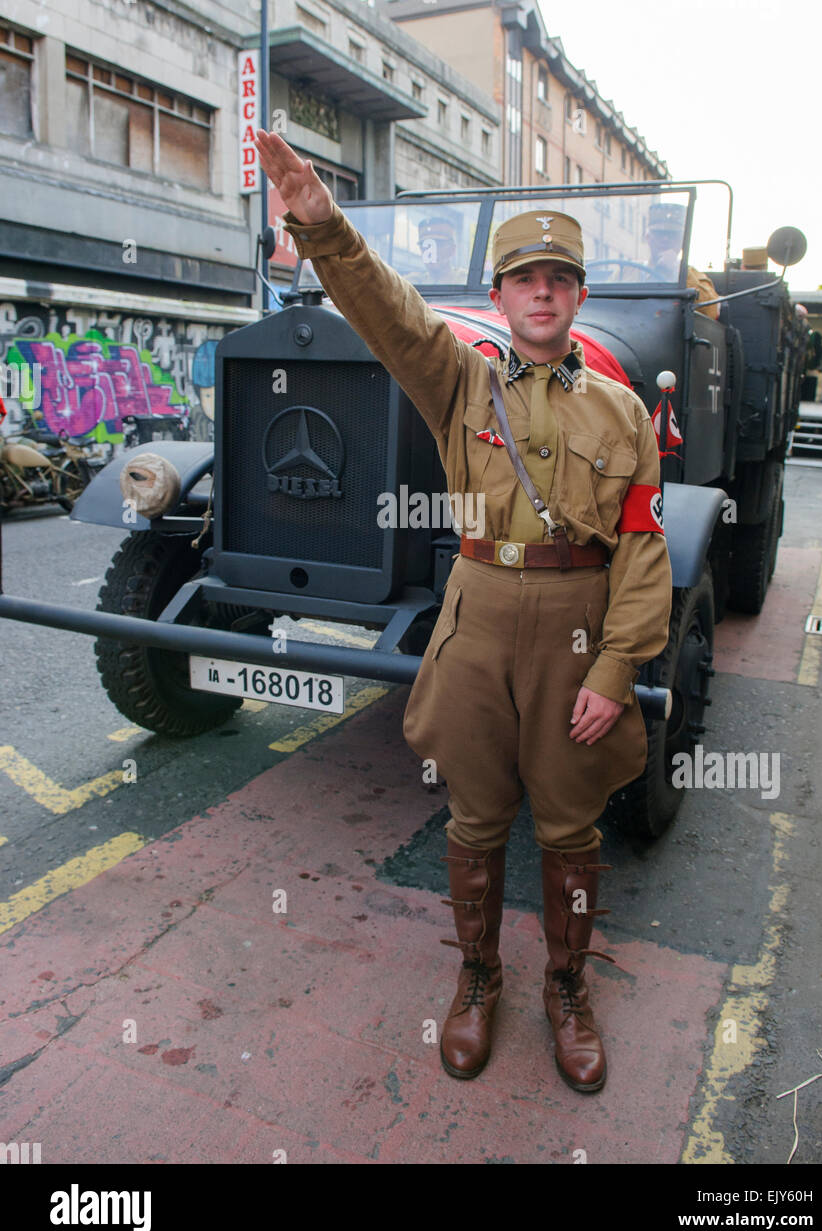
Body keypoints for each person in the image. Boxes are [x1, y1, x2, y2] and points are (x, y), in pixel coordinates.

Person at [254, 129, 672, 1093]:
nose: (540, 292)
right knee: (477, 821)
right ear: (498, 298)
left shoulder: (621, 414)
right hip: (478, 620)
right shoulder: (459, 381)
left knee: (569, 827)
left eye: (557, 278)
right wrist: (324, 230)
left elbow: (642, 549)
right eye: (523, 278)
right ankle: (477, 979)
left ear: (576, 297)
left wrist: (615, 671)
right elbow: (390, 316)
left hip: (576, 624)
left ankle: (566, 989)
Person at [645, 203, 720, 320]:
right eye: (659, 233)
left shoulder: (693, 277)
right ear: (648, 238)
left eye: (672, 234)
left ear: (681, 241)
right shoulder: (628, 272)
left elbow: (711, 311)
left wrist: (679, 272)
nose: (665, 239)